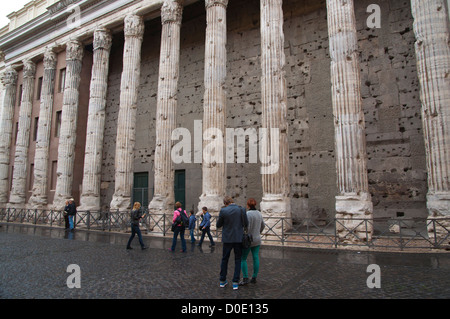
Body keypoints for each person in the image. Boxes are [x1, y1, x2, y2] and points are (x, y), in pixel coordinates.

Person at [217, 196, 248, 290]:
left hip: (227, 239)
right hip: (238, 238)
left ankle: (222, 280)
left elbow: (218, 225)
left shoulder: (223, 211)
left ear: (225, 203)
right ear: (232, 201)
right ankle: (235, 282)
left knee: (224, 259)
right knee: (238, 260)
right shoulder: (242, 209)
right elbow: (246, 224)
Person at [240, 198, 265, 286]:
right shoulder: (259, 213)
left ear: (248, 205)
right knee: (255, 257)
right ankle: (254, 277)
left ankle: (245, 277)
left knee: (243, 258)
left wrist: (246, 234)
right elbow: (263, 225)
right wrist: (258, 233)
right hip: (257, 239)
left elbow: (246, 227)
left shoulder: (248, 214)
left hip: (248, 239)